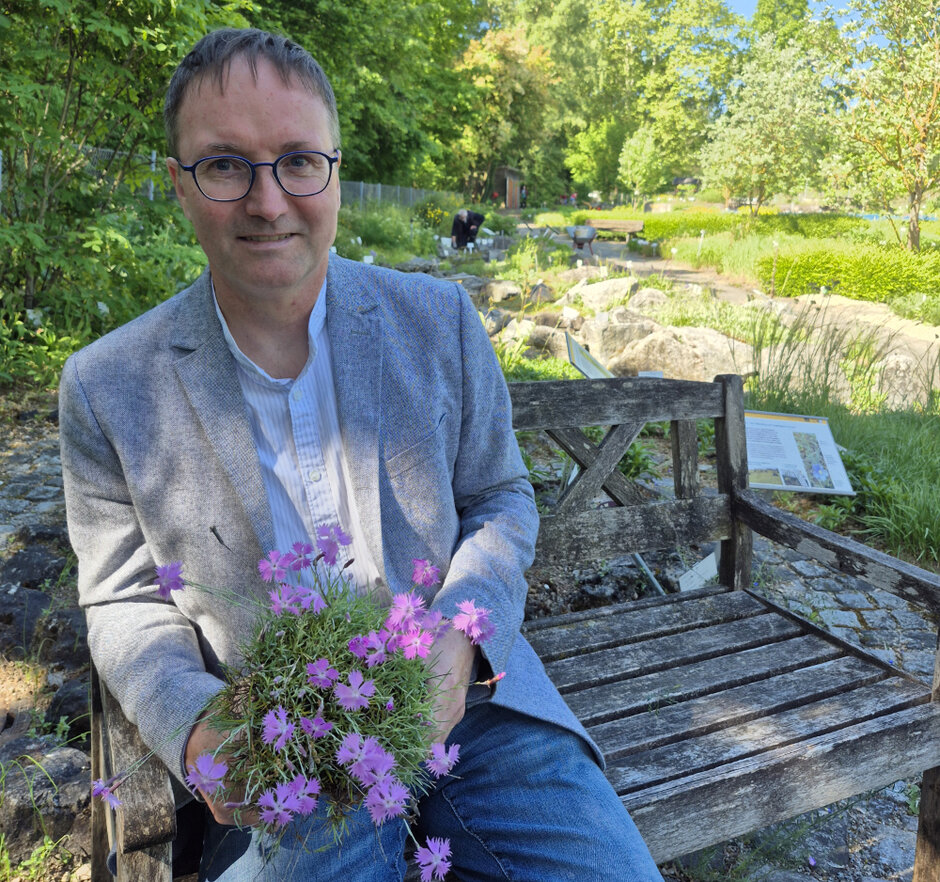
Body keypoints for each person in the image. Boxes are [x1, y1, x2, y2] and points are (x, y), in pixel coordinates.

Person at [59, 27, 664, 882]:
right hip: (285, 742)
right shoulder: (107, 385)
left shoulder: (440, 321)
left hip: (473, 712)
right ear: (179, 185)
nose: (269, 201)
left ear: (335, 169)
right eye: (225, 165)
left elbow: (501, 498)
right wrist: (197, 726)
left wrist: (465, 632)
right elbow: (121, 602)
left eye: (298, 160)